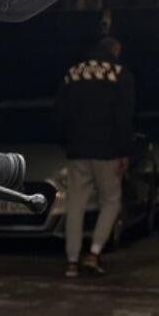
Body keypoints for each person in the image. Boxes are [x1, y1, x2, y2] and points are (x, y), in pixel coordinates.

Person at [54, 36, 136, 277]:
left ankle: (71, 261)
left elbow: (59, 113)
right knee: (111, 201)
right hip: (107, 151)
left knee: (75, 204)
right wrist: (124, 151)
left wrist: (66, 143)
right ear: (115, 51)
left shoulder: (73, 73)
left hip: (77, 151)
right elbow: (124, 116)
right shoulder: (120, 75)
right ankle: (94, 253)